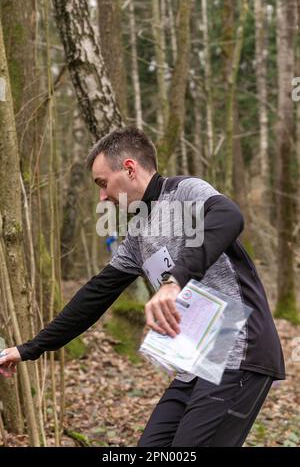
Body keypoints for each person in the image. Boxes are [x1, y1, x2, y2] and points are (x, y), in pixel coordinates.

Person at [0, 127, 285, 447]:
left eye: (102, 183)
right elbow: (96, 294)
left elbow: (229, 215)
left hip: (238, 351)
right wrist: (30, 348)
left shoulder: (185, 191)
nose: (102, 197)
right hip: (194, 362)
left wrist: (174, 280)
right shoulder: (138, 233)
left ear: (130, 168)